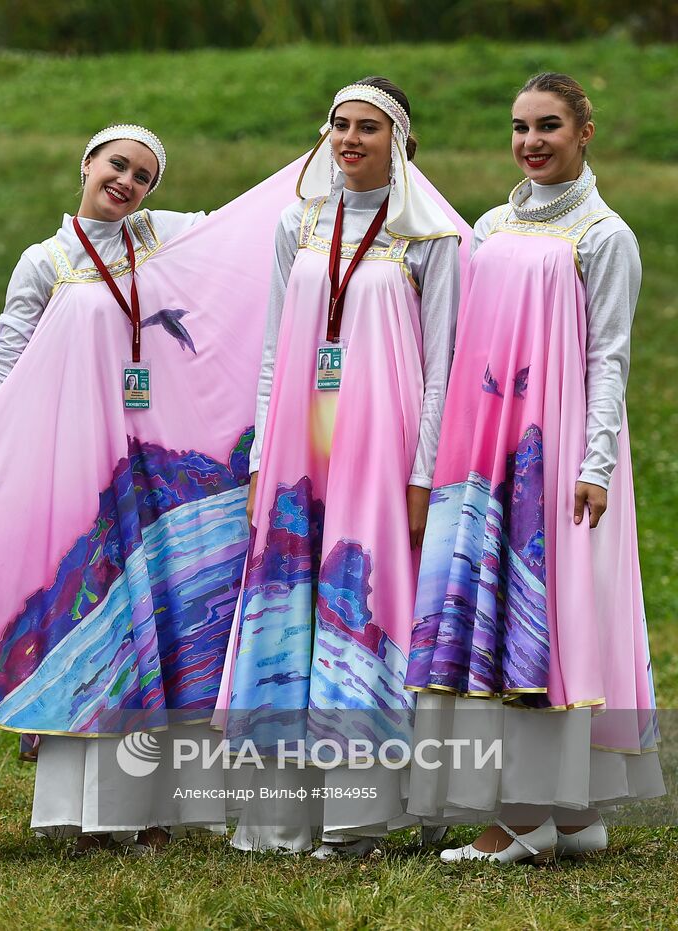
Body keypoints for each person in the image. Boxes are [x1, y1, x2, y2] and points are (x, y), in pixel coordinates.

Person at [0, 123, 303, 855]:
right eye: (118, 165)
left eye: (143, 175)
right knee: (97, 623)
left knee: (160, 627)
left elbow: (248, 226)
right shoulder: (45, 262)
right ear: (86, 162)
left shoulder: (166, 239)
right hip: (76, 470)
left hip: (151, 470)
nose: (127, 182)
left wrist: (332, 152)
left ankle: (152, 809)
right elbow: (6, 361)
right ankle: (89, 812)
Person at [406, 73, 663, 863]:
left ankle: (520, 818)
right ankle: (575, 815)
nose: (531, 142)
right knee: (498, 614)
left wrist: (595, 465)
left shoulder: (605, 236)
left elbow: (609, 358)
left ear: (586, 131)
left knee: (546, 619)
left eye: (548, 125)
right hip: (486, 451)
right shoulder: (488, 224)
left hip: (557, 465)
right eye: (519, 127)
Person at [217, 77, 468, 859]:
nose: (350, 138)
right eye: (339, 125)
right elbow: (268, 351)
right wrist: (263, 456)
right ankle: (282, 819)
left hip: (381, 450)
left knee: (365, 607)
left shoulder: (429, 236)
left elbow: (442, 367)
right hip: (300, 447)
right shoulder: (300, 221)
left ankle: (364, 818)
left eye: (368, 127)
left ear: (401, 142)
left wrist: (422, 475)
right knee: (287, 609)